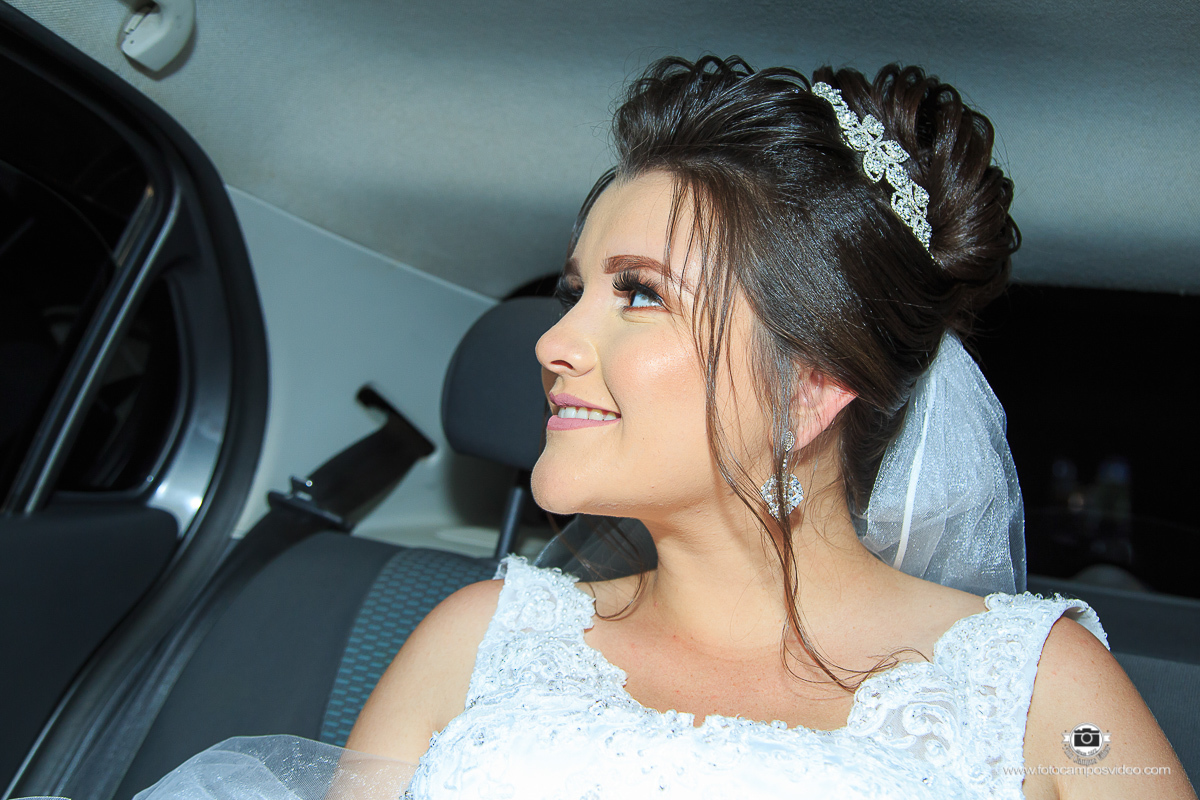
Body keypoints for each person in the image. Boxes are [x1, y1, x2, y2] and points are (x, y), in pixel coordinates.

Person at [135, 56, 1195, 799]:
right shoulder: (477, 636)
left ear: (810, 386)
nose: (555, 340)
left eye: (639, 293)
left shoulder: (1044, 692)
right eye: (574, 291)